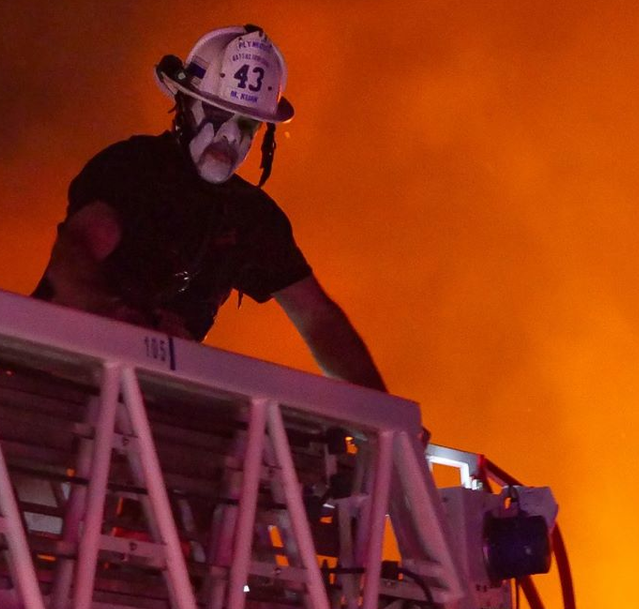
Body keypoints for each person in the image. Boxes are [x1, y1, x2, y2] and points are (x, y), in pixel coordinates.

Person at [34, 24, 387, 392]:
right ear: (186, 103)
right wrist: (115, 317)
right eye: (218, 113)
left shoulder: (250, 216)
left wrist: (381, 409)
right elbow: (76, 253)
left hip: (150, 402)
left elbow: (319, 320)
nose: (231, 136)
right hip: (53, 379)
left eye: (248, 124)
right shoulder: (132, 169)